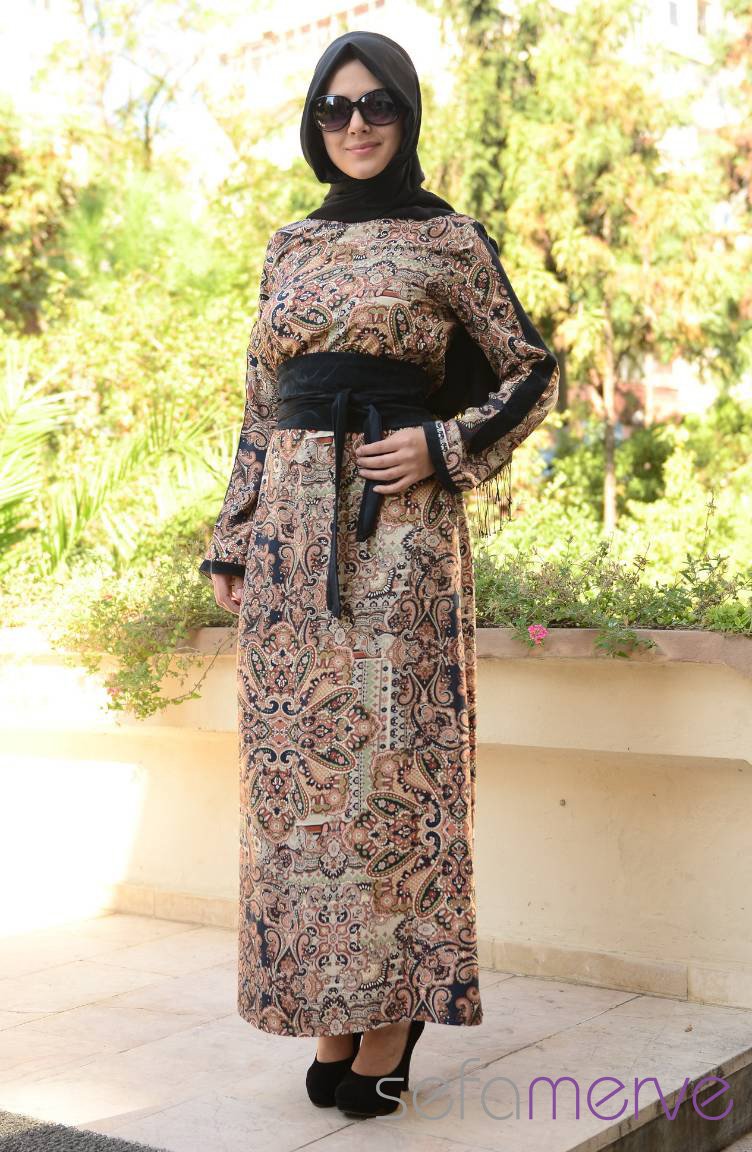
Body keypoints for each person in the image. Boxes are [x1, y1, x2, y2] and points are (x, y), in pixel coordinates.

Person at [199, 29, 559, 1119]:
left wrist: (442, 447)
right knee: (299, 787)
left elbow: (531, 371)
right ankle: (333, 1002)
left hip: (397, 536)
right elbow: (260, 404)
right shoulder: (289, 246)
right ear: (314, 123)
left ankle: (395, 1011)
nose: (355, 125)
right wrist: (234, 533)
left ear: (406, 113)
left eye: (376, 105)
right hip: (288, 539)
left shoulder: (449, 238)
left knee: (392, 774)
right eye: (335, 108)